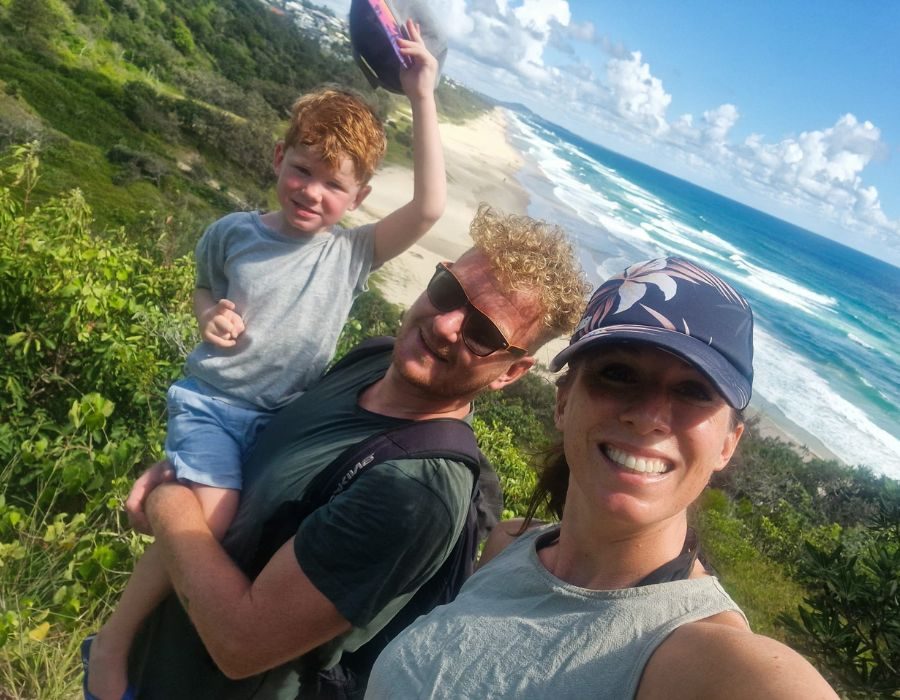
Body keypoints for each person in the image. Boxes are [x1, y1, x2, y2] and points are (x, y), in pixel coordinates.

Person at [83, 21, 447, 700]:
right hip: (213, 405)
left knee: (243, 539)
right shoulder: (231, 234)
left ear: (359, 199)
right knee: (209, 525)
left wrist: (422, 93)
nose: (312, 192)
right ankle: (114, 641)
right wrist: (207, 314)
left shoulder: (350, 256)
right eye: (302, 170)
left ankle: (160, 652)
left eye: (334, 186)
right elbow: (203, 285)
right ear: (278, 156)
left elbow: (430, 207)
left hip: (281, 420)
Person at [113, 205, 590, 699]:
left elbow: (240, 643)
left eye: (483, 332)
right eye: (448, 290)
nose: (447, 324)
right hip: (147, 663)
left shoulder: (413, 493)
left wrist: (167, 501)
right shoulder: (374, 359)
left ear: (511, 373)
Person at [366, 256, 839, 700]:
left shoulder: (704, 656)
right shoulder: (509, 545)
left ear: (727, 444)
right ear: (563, 402)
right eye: (618, 374)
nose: (650, 417)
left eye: (694, 390)